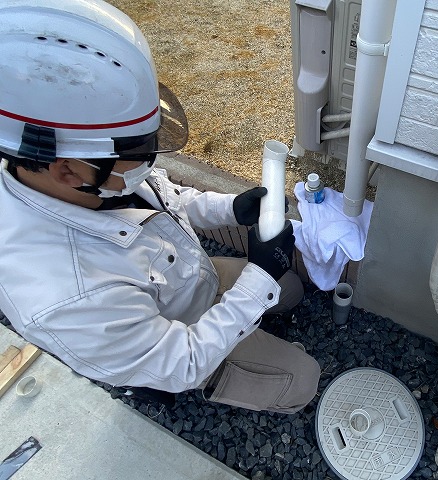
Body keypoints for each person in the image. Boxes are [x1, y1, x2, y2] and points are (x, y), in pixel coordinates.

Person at [0, 0, 320, 414]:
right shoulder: (66, 298)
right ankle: (159, 388)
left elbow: (168, 198)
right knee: (303, 382)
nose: (152, 159)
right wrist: (258, 279)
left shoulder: (96, 174)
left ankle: (244, 314)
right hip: (179, 346)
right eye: (141, 149)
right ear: (66, 170)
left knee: (289, 289)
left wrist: (231, 208)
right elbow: (183, 361)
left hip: (186, 282)